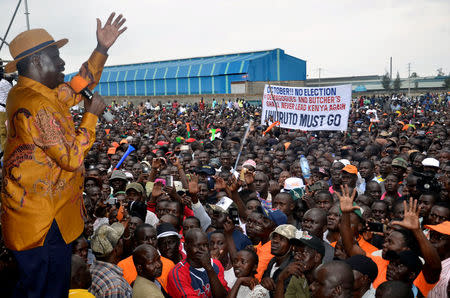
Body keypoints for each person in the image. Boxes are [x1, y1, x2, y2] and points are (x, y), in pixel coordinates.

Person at [1, 12, 126, 297]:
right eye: (55, 57)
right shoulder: (36, 104)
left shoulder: (33, 92)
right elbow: (70, 157)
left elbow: (78, 85)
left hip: (40, 217)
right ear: (35, 62)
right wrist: (91, 116)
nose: (62, 63)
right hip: (44, 226)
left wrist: (101, 49)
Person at [167, 228, 229, 297]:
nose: (202, 249)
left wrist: (209, 268)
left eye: (205, 245)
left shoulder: (215, 264)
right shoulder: (177, 273)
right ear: (186, 247)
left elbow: (223, 296)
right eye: (197, 245)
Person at [275, 230, 325, 298]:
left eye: (302, 252)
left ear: (317, 257)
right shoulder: (298, 276)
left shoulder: (327, 279)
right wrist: (281, 279)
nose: (296, 257)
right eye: (295, 252)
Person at [89, 223, 132, 297]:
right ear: (116, 250)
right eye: (120, 239)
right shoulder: (114, 286)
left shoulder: (91, 269)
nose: (123, 241)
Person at [0, 59, 12, 151]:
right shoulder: (5, 83)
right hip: (4, 111)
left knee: (3, 133)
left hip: (2, 112)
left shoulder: (3, 83)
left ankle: (5, 154)